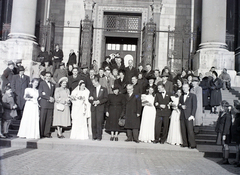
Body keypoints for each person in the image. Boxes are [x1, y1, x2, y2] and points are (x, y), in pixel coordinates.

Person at [89, 76, 108, 141]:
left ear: (97, 82)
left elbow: (105, 98)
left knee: (99, 122)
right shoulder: (92, 89)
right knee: (93, 123)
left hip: (100, 108)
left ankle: (99, 136)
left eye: (93, 82)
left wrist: (99, 102)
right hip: (93, 108)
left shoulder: (104, 89)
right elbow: (89, 98)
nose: (93, 84)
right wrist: (93, 101)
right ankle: (94, 136)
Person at [178, 83, 197, 148]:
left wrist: (192, 115)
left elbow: (194, 106)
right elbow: (179, 105)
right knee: (183, 130)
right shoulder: (181, 96)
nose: (184, 89)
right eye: (183, 88)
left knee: (190, 130)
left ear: (189, 88)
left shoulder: (193, 96)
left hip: (189, 116)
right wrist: (181, 106)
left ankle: (192, 144)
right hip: (182, 115)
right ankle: (185, 143)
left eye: (185, 87)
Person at [38, 71, 55, 138]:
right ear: (45, 77)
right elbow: (41, 93)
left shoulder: (52, 84)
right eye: (47, 76)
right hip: (44, 103)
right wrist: (48, 98)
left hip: (50, 104)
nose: (48, 77)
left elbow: (53, 93)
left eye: (49, 76)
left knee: (49, 119)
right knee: (42, 118)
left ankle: (47, 133)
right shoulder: (42, 83)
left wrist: (52, 99)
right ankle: (41, 133)